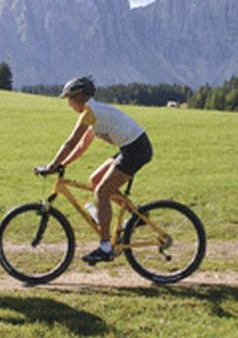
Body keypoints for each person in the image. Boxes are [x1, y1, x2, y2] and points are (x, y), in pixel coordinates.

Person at [38, 76, 153, 264]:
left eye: (69, 99)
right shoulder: (93, 112)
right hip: (131, 148)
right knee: (95, 180)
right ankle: (137, 216)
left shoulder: (90, 113)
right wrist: (62, 164)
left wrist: (52, 166)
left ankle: (105, 248)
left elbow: (70, 143)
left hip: (136, 150)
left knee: (102, 191)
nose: (68, 103)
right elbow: (81, 146)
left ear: (79, 96)